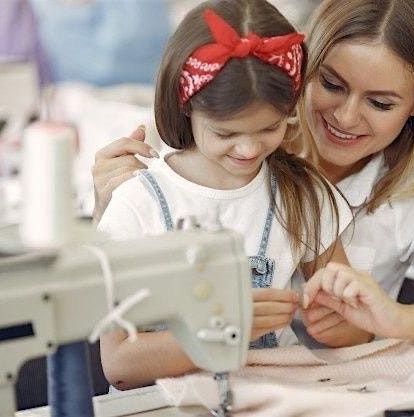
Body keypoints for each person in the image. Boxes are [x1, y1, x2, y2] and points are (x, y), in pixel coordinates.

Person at [93, 0, 414, 350]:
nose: (345, 116)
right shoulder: (208, 146)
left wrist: (395, 319)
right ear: (301, 69)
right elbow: (113, 322)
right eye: (332, 84)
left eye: (380, 103)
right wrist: (105, 206)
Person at [96, 0, 365, 390]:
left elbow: (354, 331)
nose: (249, 150)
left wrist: (341, 322)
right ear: (184, 106)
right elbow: (120, 365)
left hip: (280, 394)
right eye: (226, 134)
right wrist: (225, 329)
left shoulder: (302, 194)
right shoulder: (140, 203)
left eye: (269, 128)